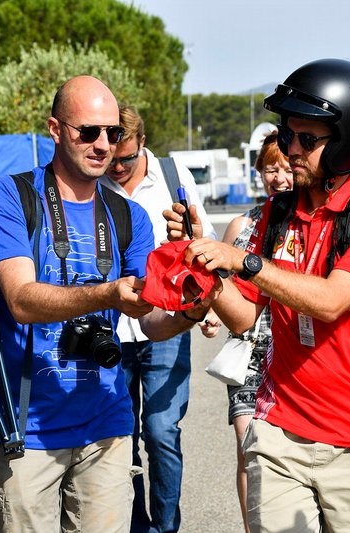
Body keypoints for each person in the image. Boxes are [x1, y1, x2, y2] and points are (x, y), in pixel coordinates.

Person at [166, 58, 350, 532]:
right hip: (279, 432)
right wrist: (203, 260)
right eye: (285, 135)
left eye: (307, 140)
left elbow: (332, 300)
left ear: (347, 142)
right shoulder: (274, 214)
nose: (291, 149)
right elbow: (242, 319)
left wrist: (246, 262)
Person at [0, 75, 216, 533]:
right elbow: (22, 301)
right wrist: (107, 293)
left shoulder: (129, 215)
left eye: (113, 133)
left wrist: (194, 303)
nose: (103, 144)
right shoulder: (10, 197)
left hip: (107, 424)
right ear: (55, 129)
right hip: (26, 430)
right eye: (88, 132)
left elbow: (154, 322)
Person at [100, 104, 217, 533]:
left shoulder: (173, 177)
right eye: (111, 158)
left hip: (166, 323)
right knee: (119, 437)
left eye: (126, 158)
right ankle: (134, 525)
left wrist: (203, 305)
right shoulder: (92, 180)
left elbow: (202, 241)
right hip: (112, 326)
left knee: (161, 430)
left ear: (142, 143)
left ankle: (166, 527)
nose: (117, 167)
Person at [212, 129, 292, 532]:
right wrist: (211, 313)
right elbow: (220, 286)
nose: (278, 177)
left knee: (285, 453)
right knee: (248, 448)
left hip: (295, 354)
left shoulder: (306, 224)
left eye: (285, 167)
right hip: (248, 350)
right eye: (269, 169)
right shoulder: (241, 224)